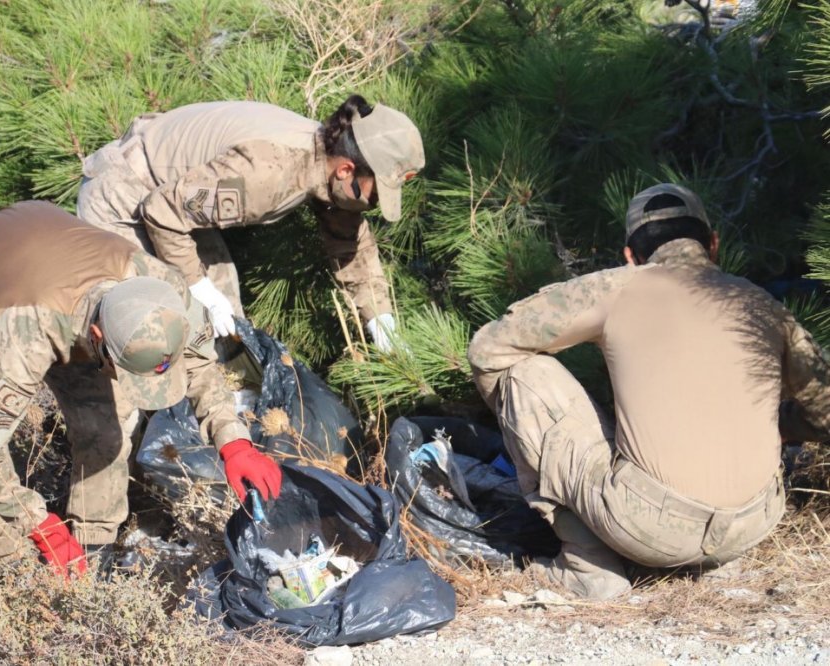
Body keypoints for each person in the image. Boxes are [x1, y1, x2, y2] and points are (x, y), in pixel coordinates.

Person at [467, 184, 830, 599]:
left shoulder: (617, 288)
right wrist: (779, 427)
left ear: (629, 256)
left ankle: (588, 564)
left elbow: (488, 347)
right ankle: (713, 563)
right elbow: (825, 408)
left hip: (647, 527)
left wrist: (524, 446)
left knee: (524, 374)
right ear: (713, 245)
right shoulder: (765, 305)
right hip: (752, 525)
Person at [0, 201, 281, 578]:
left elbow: (200, 364)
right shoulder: (24, 332)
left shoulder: (163, 292)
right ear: (98, 337)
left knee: (106, 431)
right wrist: (38, 524)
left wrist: (233, 441)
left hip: (60, 271)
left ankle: (92, 558)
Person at [76, 95, 424, 351]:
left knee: (229, 328)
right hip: (126, 197)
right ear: (347, 169)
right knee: (150, 341)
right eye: (373, 194)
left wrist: (379, 318)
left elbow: (350, 242)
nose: (372, 205)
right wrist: (197, 286)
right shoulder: (268, 176)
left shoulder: (327, 160)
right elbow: (162, 213)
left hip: (177, 202)